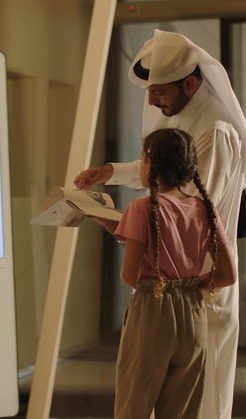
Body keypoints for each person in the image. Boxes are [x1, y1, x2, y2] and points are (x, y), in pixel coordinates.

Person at [74, 29, 246, 419]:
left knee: (193, 399)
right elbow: (167, 176)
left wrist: (116, 222)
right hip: (182, 288)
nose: (152, 101)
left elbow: (190, 212)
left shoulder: (215, 129)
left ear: (190, 82)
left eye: (159, 93)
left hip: (197, 288)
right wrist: (109, 171)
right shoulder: (180, 115)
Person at [101, 128, 236, 419]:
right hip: (194, 314)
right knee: (182, 410)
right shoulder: (204, 209)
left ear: (150, 162)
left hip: (153, 311)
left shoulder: (141, 208)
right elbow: (227, 275)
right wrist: (190, 284)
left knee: (134, 404)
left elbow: (131, 276)